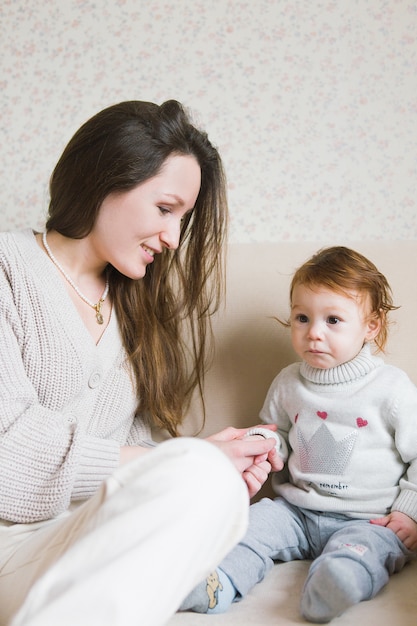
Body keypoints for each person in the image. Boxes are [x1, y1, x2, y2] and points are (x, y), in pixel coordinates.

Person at [0, 99, 281, 626]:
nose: (174, 239)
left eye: (184, 219)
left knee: (211, 485)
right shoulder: (7, 270)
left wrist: (207, 467)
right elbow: (5, 451)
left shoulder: (137, 308)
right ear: (107, 177)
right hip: (10, 548)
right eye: (165, 208)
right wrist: (177, 462)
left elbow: (130, 454)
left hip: (85, 543)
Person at [180, 246, 417, 623]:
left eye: (333, 320)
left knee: (363, 552)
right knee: (250, 527)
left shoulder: (391, 388)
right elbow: (280, 433)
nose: (314, 334)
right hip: (297, 510)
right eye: (302, 318)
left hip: (368, 519)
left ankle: (335, 585)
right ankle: (218, 582)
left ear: (371, 326)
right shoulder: (288, 382)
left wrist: (409, 513)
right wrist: (265, 444)